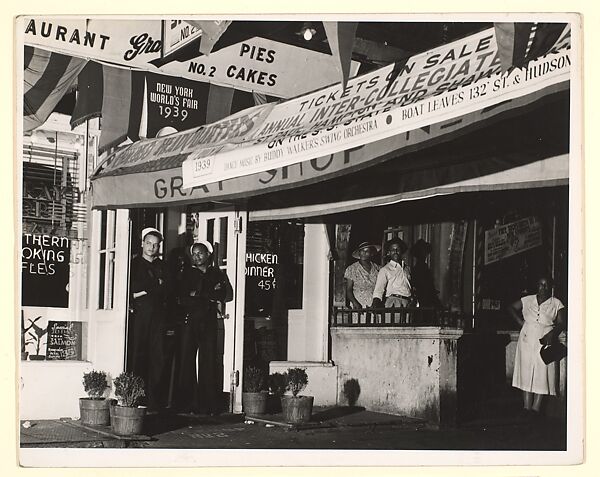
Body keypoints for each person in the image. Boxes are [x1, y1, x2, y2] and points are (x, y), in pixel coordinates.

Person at [175, 241, 233, 415]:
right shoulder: (186, 274)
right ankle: (186, 404)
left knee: (208, 361)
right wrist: (207, 294)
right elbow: (182, 298)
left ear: (208, 254)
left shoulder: (216, 273)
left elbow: (224, 294)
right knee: (187, 360)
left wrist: (198, 294)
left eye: (200, 253)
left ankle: (207, 405)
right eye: (194, 254)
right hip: (190, 321)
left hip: (208, 321)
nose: (197, 257)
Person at [508, 275, 566, 420]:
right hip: (527, 338)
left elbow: (561, 323)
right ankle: (526, 407)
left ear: (550, 287)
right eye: (541, 284)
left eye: (546, 285)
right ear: (537, 286)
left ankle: (536, 409)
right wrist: (521, 322)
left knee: (542, 372)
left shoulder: (556, 303)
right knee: (526, 371)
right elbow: (511, 307)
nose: (543, 287)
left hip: (544, 339)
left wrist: (552, 334)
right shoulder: (527, 300)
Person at [129, 227, 168, 411]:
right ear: (142, 244)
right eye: (149, 243)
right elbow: (132, 291)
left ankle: (155, 401)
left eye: (156, 244)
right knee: (138, 355)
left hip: (159, 317)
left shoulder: (162, 266)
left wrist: (147, 288)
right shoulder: (134, 265)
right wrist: (154, 285)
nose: (152, 247)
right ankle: (136, 398)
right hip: (140, 316)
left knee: (158, 357)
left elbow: (168, 287)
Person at [372, 237, 412, 323]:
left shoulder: (407, 268)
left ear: (401, 251)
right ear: (389, 253)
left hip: (407, 303)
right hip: (393, 302)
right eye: (393, 250)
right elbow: (379, 289)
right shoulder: (385, 270)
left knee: (406, 330)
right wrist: (376, 302)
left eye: (398, 249)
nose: (396, 251)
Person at [344, 241, 381, 309]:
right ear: (359, 253)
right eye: (362, 251)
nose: (364, 253)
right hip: (359, 304)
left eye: (367, 251)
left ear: (371, 254)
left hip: (374, 304)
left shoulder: (378, 268)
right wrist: (355, 302)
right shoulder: (352, 268)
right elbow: (348, 289)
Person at [410, 239, 441, 308]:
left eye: (425, 252)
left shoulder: (423, 267)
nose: (425, 255)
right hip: (423, 299)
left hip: (427, 298)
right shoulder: (419, 268)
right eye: (422, 252)